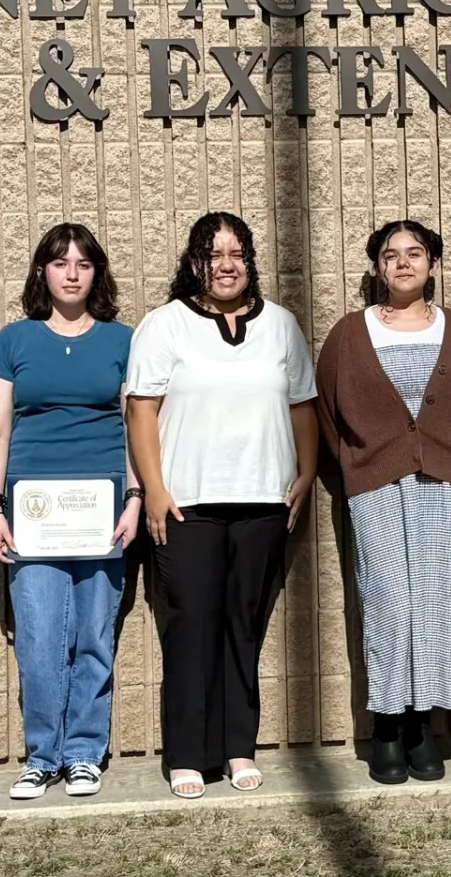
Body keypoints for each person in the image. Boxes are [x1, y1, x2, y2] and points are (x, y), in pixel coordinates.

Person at [125, 212, 319, 799]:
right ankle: (187, 753)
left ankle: (239, 748)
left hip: (263, 502)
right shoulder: (164, 326)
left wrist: (306, 472)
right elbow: (140, 410)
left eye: (236, 253)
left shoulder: (281, 325)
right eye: (213, 254)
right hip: (187, 506)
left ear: (250, 261)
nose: (226, 264)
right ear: (194, 265)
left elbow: (302, 405)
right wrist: (154, 488)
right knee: (190, 627)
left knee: (244, 628)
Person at [315, 219, 451, 784]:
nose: (403, 263)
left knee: (437, 602)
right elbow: (329, 417)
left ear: (433, 264)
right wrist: (365, 463)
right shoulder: (350, 334)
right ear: (378, 267)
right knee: (389, 603)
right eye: (390, 255)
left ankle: (423, 723)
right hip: (375, 486)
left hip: (445, 485)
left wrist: (450, 461)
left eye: (415, 253)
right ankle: (387, 725)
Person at [0, 223, 140, 800]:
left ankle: (82, 753)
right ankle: (41, 754)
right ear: (41, 272)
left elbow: (136, 430)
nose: (71, 272)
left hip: (104, 512)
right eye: (59, 262)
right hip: (34, 513)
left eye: (83, 263)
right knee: (40, 635)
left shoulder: (123, 341)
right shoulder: (14, 341)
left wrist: (136, 496)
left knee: (95, 633)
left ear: (97, 274)